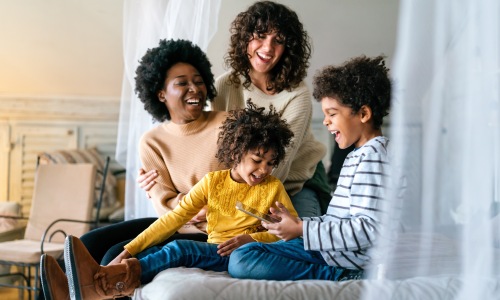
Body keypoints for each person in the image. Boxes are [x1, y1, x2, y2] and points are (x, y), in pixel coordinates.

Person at [39, 39, 227, 300]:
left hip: (214, 229)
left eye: (198, 81)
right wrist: (186, 204)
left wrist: (188, 203)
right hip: (174, 223)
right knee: (90, 242)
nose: (194, 88)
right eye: (182, 83)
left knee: (111, 256)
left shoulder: (228, 125)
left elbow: (241, 182)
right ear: (161, 93)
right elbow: (163, 205)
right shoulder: (152, 141)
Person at [61, 101, 298, 299]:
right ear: (236, 153)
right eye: (257, 160)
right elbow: (174, 219)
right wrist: (128, 249)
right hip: (213, 247)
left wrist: (250, 239)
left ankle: (98, 285)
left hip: (237, 254)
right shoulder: (212, 182)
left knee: (178, 249)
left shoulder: (273, 188)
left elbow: (289, 231)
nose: (264, 169)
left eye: (270, 162)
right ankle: (93, 284)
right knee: (144, 255)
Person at [140, 1, 331, 218]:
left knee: (298, 242)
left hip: (296, 181)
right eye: (260, 35)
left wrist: (220, 204)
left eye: (278, 41)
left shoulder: (297, 95)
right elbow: (221, 154)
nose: (268, 48)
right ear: (245, 39)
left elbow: (277, 165)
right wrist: (158, 185)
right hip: (246, 184)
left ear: (288, 49)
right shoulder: (225, 86)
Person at [227, 55, 392, 281]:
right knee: (244, 253)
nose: (325, 121)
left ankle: (342, 276)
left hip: (344, 261)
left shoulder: (374, 157)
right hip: (333, 251)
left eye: (332, 114)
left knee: (242, 259)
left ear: (363, 114)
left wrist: (302, 229)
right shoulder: (358, 155)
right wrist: (297, 225)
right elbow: (338, 221)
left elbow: (370, 231)